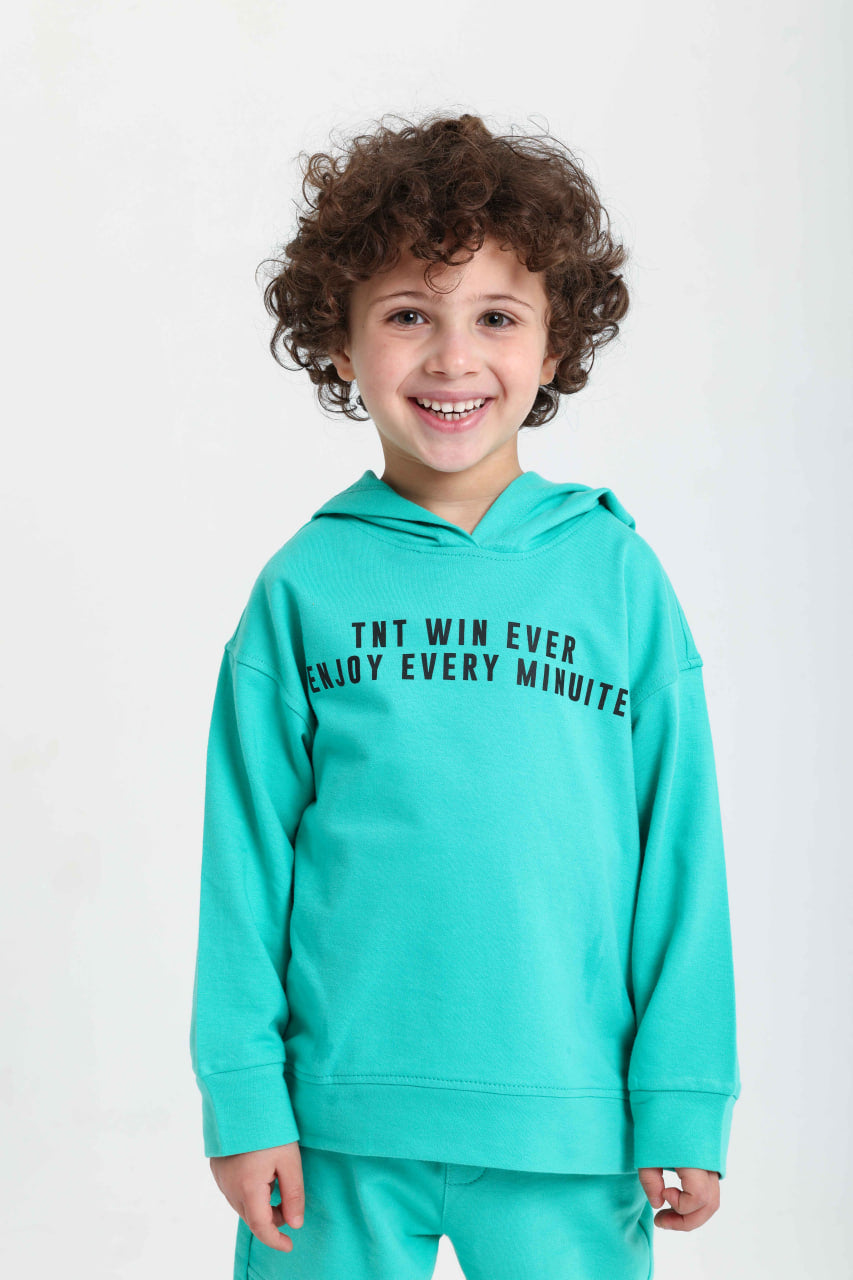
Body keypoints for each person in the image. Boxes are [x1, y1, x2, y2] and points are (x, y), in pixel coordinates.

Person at [189, 110, 741, 1280]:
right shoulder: (301, 584)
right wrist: (243, 1095)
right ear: (339, 341)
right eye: (407, 315)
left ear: (554, 341)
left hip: (570, 1126)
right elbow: (243, 862)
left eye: (496, 316)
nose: (451, 358)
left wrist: (684, 1095)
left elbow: (680, 851)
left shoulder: (618, 578)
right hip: (334, 1129)